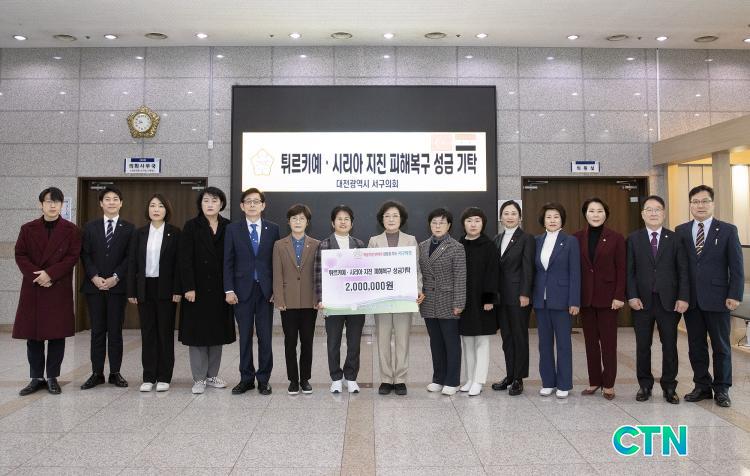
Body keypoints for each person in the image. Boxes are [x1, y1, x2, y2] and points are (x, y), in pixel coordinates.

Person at [676, 185, 744, 408]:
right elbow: (680, 267)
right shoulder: (681, 230)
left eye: (705, 201)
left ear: (712, 204)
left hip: (719, 298)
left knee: (721, 346)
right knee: (696, 345)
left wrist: (735, 294)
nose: (700, 205)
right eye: (695, 202)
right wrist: (681, 296)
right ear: (690, 205)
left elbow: (736, 266)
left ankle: (722, 388)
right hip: (692, 300)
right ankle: (702, 386)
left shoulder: (727, 230)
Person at [14, 187, 81, 396]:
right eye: (48, 201)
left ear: (62, 205)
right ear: (40, 204)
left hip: (57, 287)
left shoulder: (71, 230)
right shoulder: (28, 229)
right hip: (34, 286)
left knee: (56, 335)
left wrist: (50, 274)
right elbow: (20, 255)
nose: (53, 205)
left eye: (57, 202)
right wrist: (38, 276)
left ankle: (52, 377)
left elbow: (72, 257)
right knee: (33, 337)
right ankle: (36, 377)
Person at [627, 195, 689, 404]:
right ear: (642, 214)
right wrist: (632, 295)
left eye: (657, 209)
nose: (653, 213)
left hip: (669, 302)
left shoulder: (675, 239)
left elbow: (683, 270)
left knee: (669, 345)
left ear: (664, 213)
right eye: (649, 209)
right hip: (641, 302)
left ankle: (669, 386)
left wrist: (683, 297)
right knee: (643, 346)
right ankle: (644, 385)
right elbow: (629, 271)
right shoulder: (633, 239)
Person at [179, 187, 235, 394]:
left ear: (222, 204)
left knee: (216, 334)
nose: (210, 204)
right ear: (200, 204)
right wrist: (189, 287)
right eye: (206, 201)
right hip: (197, 290)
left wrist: (230, 288)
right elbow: (184, 259)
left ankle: (212, 375)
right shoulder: (191, 226)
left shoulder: (229, 226)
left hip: (220, 290)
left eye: (214, 200)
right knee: (197, 336)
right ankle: (199, 378)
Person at [224, 188, 280, 396]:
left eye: (256, 201)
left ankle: (264, 379)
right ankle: (246, 379)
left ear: (263, 205)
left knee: (265, 337)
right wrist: (229, 289)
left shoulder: (273, 229)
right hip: (241, 291)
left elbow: (276, 262)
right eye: (248, 201)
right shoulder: (233, 229)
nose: (252, 205)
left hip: (266, 292)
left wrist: (276, 289)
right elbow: (228, 261)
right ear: (242, 206)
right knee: (245, 337)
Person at [80, 186, 134, 390]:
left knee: (115, 331)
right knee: (97, 331)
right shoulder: (90, 227)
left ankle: (115, 373)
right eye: (107, 199)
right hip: (94, 287)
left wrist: (116, 277)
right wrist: (94, 276)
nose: (111, 202)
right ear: (101, 203)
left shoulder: (129, 228)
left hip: (117, 288)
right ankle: (96, 373)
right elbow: (85, 254)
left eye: (115, 199)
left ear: (121, 203)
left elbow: (130, 257)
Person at [367, 201, 424, 396]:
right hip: (382, 299)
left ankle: (400, 379)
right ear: (381, 219)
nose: (391, 219)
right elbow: (369, 270)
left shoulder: (410, 240)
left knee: (402, 340)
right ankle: (385, 379)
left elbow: (416, 268)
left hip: (404, 298)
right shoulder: (374, 241)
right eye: (387, 216)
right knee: (383, 339)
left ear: (401, 219)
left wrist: (418, 289)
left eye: (395, 216)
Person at [127, 194, 181, 392]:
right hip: (145, 287)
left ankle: (165, 376)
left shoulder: (175, 233)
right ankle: (149, 376)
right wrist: (132, 290)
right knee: (148, 333)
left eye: (160, 206)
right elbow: (132, 263)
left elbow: (179, 264)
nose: (156, 209)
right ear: (147, 209)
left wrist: (178, 289)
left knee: (165, 333)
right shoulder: (139, 233)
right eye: (152, 205)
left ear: (167, 210)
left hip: (166, 288)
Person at [573, 198, 625, 400]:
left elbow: (621, 268)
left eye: (599, 211)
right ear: (585, 214)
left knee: (609, 344)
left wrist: (619, 295)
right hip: (586, 298)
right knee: (590, 343)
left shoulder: (616, 238)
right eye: (591, 211)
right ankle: (594, 380)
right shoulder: (576, 238)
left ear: (606, 214)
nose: (595, 214)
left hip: (609, 299)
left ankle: (609, 384)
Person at [314, 205, 367, 394]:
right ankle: (336, 378)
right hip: (333, 303)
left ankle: (350, 377)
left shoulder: (359, 245)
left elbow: (366, 274)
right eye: (339, 219)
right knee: (333, 342)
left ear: (352, 223)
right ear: (332, 222)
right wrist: (320, 298)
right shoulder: (324, 245)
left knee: (354, 342)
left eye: (347, 219)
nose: (343, 222)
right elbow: (318, 274)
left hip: (356, 303)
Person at [533, 202, 580, 399]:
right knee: (544, 344)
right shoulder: (537, 241)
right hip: (541, 301)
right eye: (548, 217)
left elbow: (575, 273)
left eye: (556, 217)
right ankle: (548, 382)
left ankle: (564, 383)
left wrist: (574, 301)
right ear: (543, 220)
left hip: (562, 300)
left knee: (563, 344)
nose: (552, 220)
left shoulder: (570, 241)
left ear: (562, 219)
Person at [272, 204, 320, 395]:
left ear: (307, 222)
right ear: (288, 222)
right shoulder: (279, 245)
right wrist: (279, 299)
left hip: (310, 302)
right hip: (288, 302)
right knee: (290, 342)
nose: (298, 222)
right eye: (294, 218)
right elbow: (277, 274)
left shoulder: (316, 244)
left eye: (301, 218)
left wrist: (318, 298)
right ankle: (293, 380)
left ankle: (305, 379)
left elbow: (319, 274)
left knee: (307, 342)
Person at [418, 208, 466, 396]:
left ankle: (452, 381)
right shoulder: (422, 246)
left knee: (451, 343)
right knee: (435, 342)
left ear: (449, 225)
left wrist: (459, 303)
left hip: (448, 300)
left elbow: (460, 277)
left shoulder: (456, 247)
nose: (437, 226)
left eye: (442, 223)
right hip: (428, 301)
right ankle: (438, 378)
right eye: (434, 223)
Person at [491, 200, 534, 396]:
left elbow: (528, 268)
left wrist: (525, 293)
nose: (510, 217)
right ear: (501, 217)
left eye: (513, 213)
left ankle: (519, 378)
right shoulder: (497, 238)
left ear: (520, 217)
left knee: (519, 337)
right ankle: (509, 375)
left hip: (518, 296)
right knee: (506, 337)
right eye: (506, 213)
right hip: (501, 298)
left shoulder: (526, 238)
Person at [458, 207, 498, 396]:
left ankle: (479, 380)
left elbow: (493, 273)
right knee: (467, 341)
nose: (473, 224)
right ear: (463, 224)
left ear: (483, 223)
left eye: (477, 221)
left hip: (483, 301)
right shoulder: (459, 244)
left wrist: (489, 299)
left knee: (482, 341)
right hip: (464, 300)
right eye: (469, 221)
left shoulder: (489, 245)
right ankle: (469, 378)